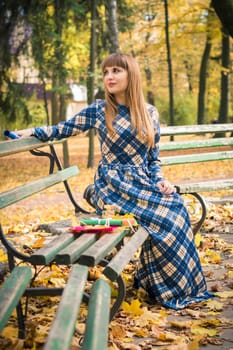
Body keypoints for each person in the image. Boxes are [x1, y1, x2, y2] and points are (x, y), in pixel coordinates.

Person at [17, 53, 212, 310]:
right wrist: (32, 131)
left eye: (116, 71)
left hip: (142, 183)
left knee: (177, 209)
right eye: (106, 72)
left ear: (131, 75)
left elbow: (153, 158)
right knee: (166, 218)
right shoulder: (99, 110)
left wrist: (161, 181)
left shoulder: (149, 113)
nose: (109, 76)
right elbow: (62, 129)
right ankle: (167, 288)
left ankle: (165, 284)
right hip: (112, 186)